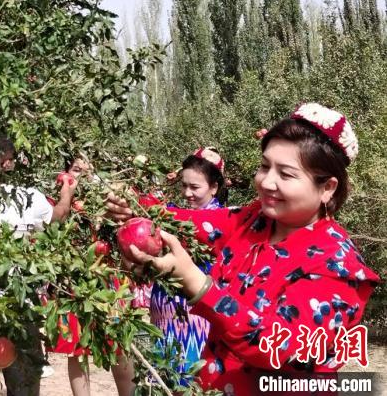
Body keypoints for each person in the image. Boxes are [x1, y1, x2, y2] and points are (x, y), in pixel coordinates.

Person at [104, 103, 380, 395]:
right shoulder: (252, 221)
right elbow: (191, 222)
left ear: (327, 188)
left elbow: (281, 347)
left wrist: (198, 285)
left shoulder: (338, 264)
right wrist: (133, 206)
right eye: (264, 166)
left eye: (285, 174)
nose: (266, 182)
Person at [0, 136, 78, 396]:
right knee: (23, 387)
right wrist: (67, 189)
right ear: (8, 164)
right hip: (18, 303)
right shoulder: (26, 198)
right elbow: (59, 216)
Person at [44, 155, 136, 396]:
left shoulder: (110, 202)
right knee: (77, 348)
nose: (82, 175)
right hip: (74, 281)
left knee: (119, 343)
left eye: (88, 170)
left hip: (110, 278)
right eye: (76, 169)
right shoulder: (58, 202)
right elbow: (51, 232)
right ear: (65, 172)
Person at [149, 147, 227, 386]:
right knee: (165, 381)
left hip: (196, 320)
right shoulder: (171, 212)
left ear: (214, 187)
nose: (187, 193)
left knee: (193, 381)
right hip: (164, 318)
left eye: (195, 187)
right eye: (184, 186)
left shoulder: (221, 220)